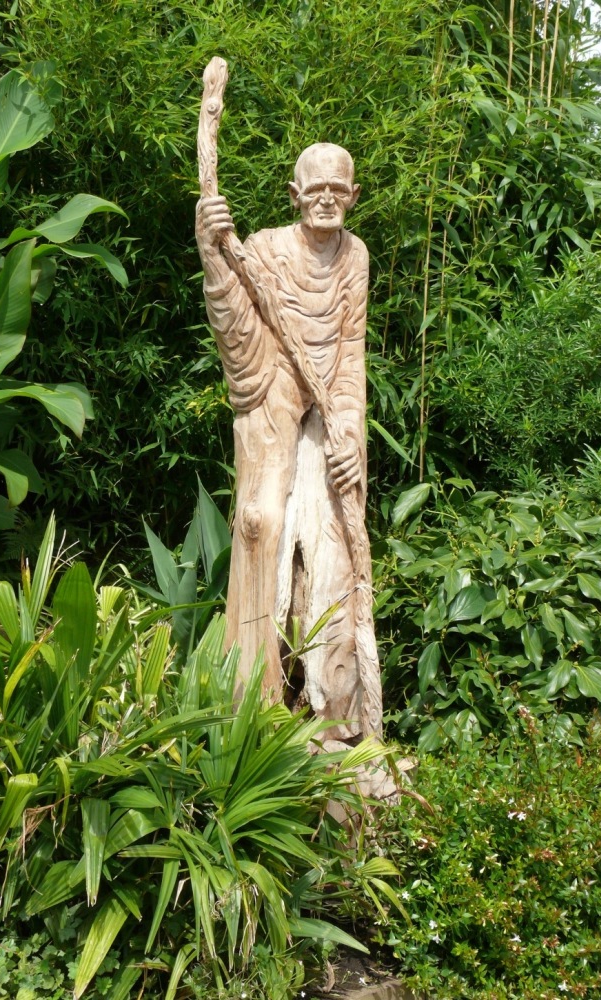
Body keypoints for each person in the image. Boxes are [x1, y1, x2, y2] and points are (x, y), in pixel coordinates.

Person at [196, 142, 380, 739]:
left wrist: (349, 435)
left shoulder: (356, 256)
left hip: (328, 409)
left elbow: (350, 355)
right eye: (315, 189)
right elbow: (237, 331)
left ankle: (336, 720)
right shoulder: (267, 249)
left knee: (335, 541)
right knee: (262, 520)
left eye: (338, 189)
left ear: (353, 196)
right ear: (295, 195)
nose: (326, 199)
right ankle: (251, 708)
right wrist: (213, 255)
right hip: (273, 389)